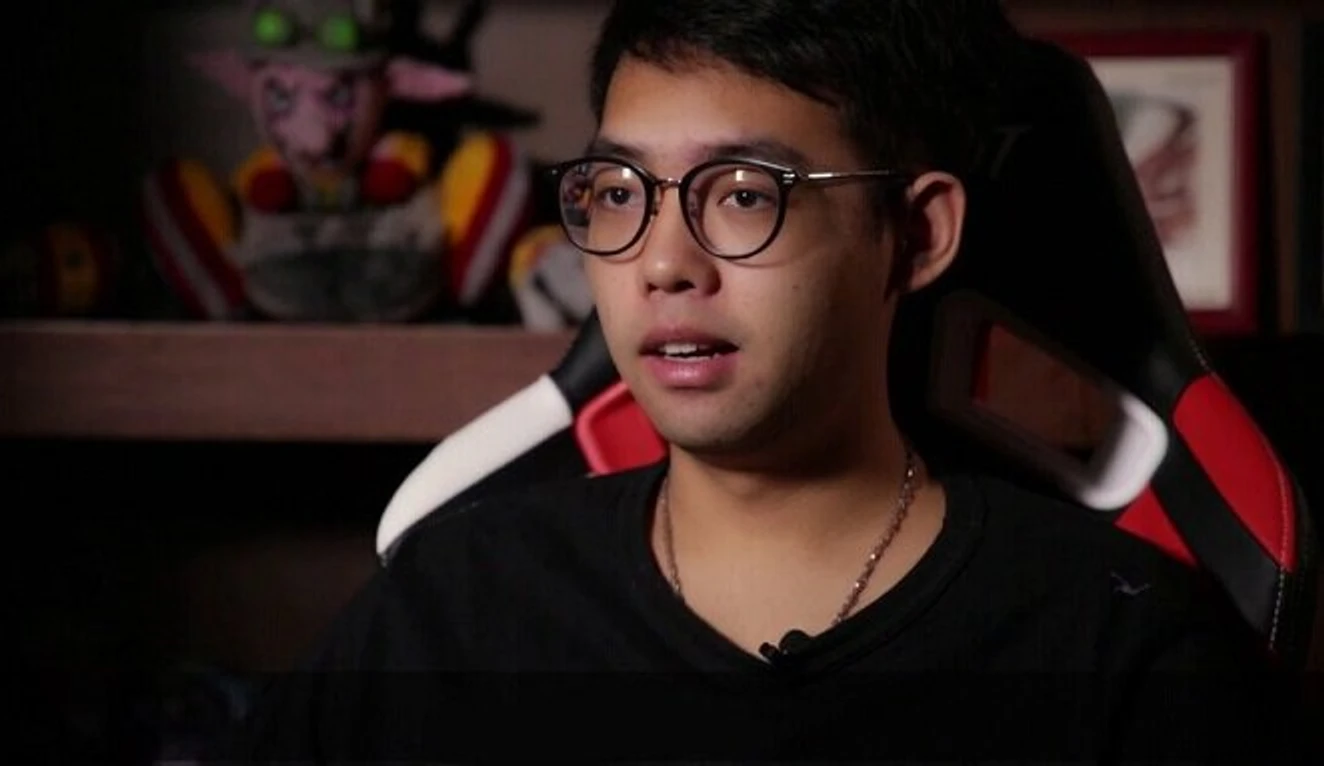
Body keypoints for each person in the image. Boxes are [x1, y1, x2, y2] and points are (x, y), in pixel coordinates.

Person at [225, 0, 1309, 761]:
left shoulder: (1115, 646)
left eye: (744, 193)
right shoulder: (455, 604)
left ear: (915, 234)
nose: (661, 263)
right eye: (618, 191)